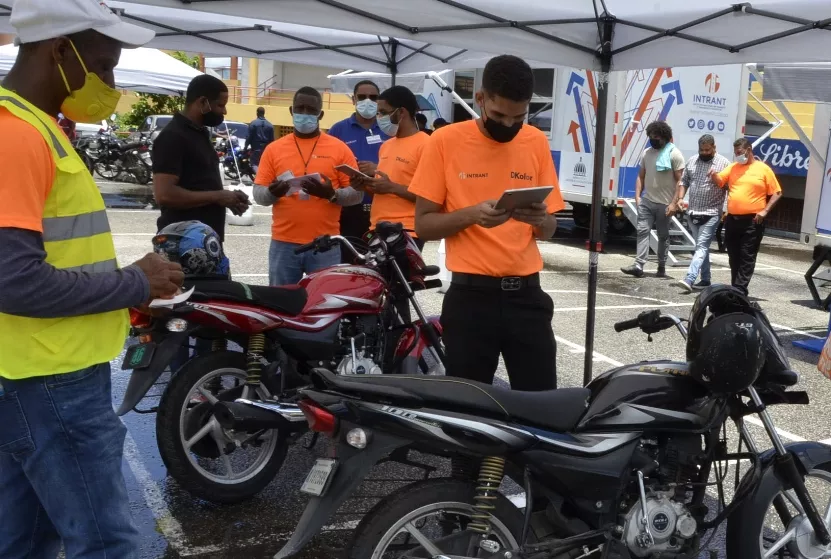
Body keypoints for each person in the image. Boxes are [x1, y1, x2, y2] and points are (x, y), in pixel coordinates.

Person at [0, 1, 185, 557]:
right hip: (54, 381)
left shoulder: (37, 129)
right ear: (59, 50)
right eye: (102, 67)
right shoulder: (17, 137)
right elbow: (14, 281)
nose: (108, 84)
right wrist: (135, 283)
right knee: (106, 543)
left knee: (26, 541)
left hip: (33, 373)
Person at [410, 54, 564, 391]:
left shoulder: (535, 141)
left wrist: (541, 219)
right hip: (470, 299)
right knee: (470, 408)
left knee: (541, 404)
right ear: (480, 98)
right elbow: (423, 225)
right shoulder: (444, 142)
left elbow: (549, 228)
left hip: (527, 297)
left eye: (518, 118)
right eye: (498, 115)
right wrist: (471, 215)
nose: (508, 126)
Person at [253, 86, 363, 286]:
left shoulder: (339, 149)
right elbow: (258, 195)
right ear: (291, 111)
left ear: (320, 114)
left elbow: (357, 194)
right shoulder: (273, 149)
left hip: (326, 245)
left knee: (324, 308)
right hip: (284, 244)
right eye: (300, 108)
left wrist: (331, 194)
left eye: (311, 110)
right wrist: (271, 193)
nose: (304, 114)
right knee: (281, 305)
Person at [152, 74, 250, 244]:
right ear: (203, 102)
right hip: (182, 243)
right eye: (220, 105)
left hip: (204, 242)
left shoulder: (200, 132)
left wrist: (228, 198)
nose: (224, 112)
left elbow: (200, 183)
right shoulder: (172, 136)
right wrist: (218, 196)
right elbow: (164, 195)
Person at [351, 85, 429, 251]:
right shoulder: (386, 146)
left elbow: (429, 196)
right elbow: (384, 189)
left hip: (406, 230)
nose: (378, 117)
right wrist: (366, 185)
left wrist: (391, 187)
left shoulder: (426, 145)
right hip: (377, 228)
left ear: (401, 113)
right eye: (378, 112)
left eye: (384, 112)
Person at [710, 137, 783, 294]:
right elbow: (720, 181)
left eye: (740, 152)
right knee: (733, 255)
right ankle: (736, 286)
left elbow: (777, 192)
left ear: (749, 150)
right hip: (732, 219)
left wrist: (765, 211)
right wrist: (714, 175)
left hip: (752, 220)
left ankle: (740, 288)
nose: (738, 156)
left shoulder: (763, 169)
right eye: (736, 153)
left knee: (747, 255)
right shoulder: (734, 167)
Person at [328, 80, 388, 253]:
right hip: (348, 211)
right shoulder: (338, 130)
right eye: (362, 97)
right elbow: (328, 165)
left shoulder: (388, 130)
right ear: (353, 99)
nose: (368, 101)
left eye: (373, 97)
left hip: (382, 209)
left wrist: (376, 169)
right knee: (349, 265)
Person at [621, 121, 685, 278]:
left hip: (665, 204)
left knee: (663, 235)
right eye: (650, 137)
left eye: (655, 137)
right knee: (643, 231)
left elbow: (680, 181)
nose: (652, 140)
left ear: (664, 137)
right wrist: (637, 196)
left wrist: (673, 203)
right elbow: (641, 176)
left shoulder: (674, 154)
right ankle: (638, 265)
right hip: (647, 201)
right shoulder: (647, 153)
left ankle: (661, 266)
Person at [674, 134, 730, 292]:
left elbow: (729, 187)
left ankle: (690, 278)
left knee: (701, 246)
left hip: (712, 213)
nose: (704, 152)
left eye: (707, 150)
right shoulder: (692, 161)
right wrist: (680, 198)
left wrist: (726, 208)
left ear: (714, 147)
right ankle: (705, 279)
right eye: (701, 150)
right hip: (693, 212)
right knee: (700, 247)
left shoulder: (724, 163)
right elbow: (684, 181)